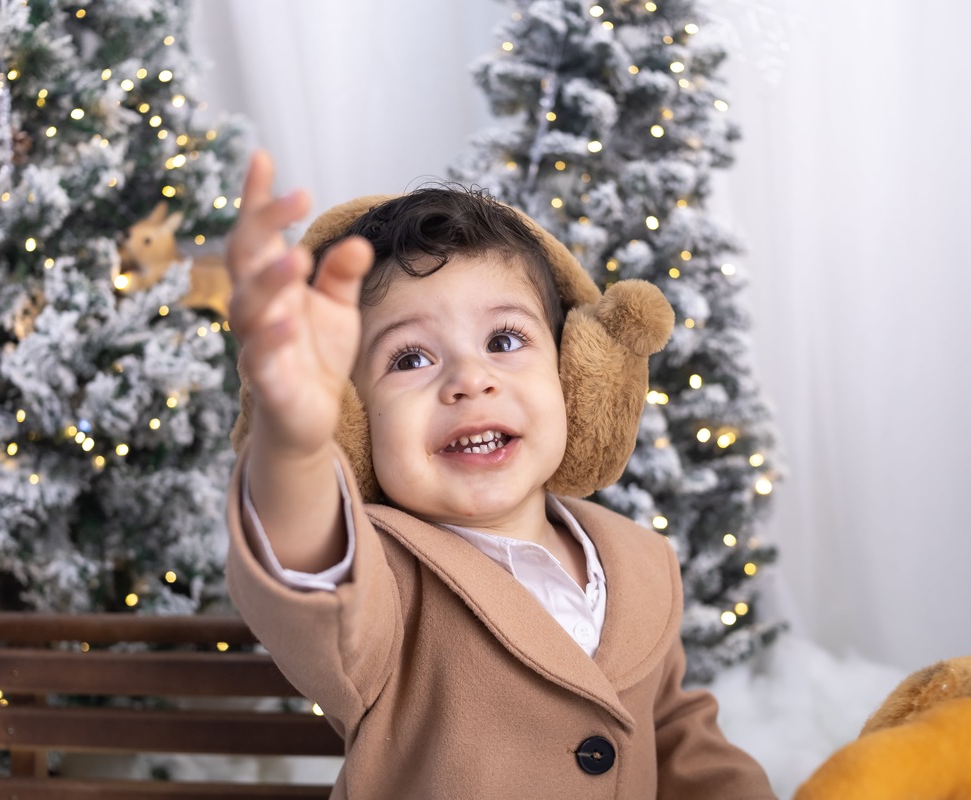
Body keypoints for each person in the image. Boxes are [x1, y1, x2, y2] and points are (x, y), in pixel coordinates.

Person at [224, 150, 775, 799]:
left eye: (505, 341)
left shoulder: (643, 562)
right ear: (355, 423)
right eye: (409, 357)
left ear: (577, 374)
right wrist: (291, 440)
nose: (469, 380)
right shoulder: (379, 580)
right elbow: (303, 556)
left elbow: (679, 735)